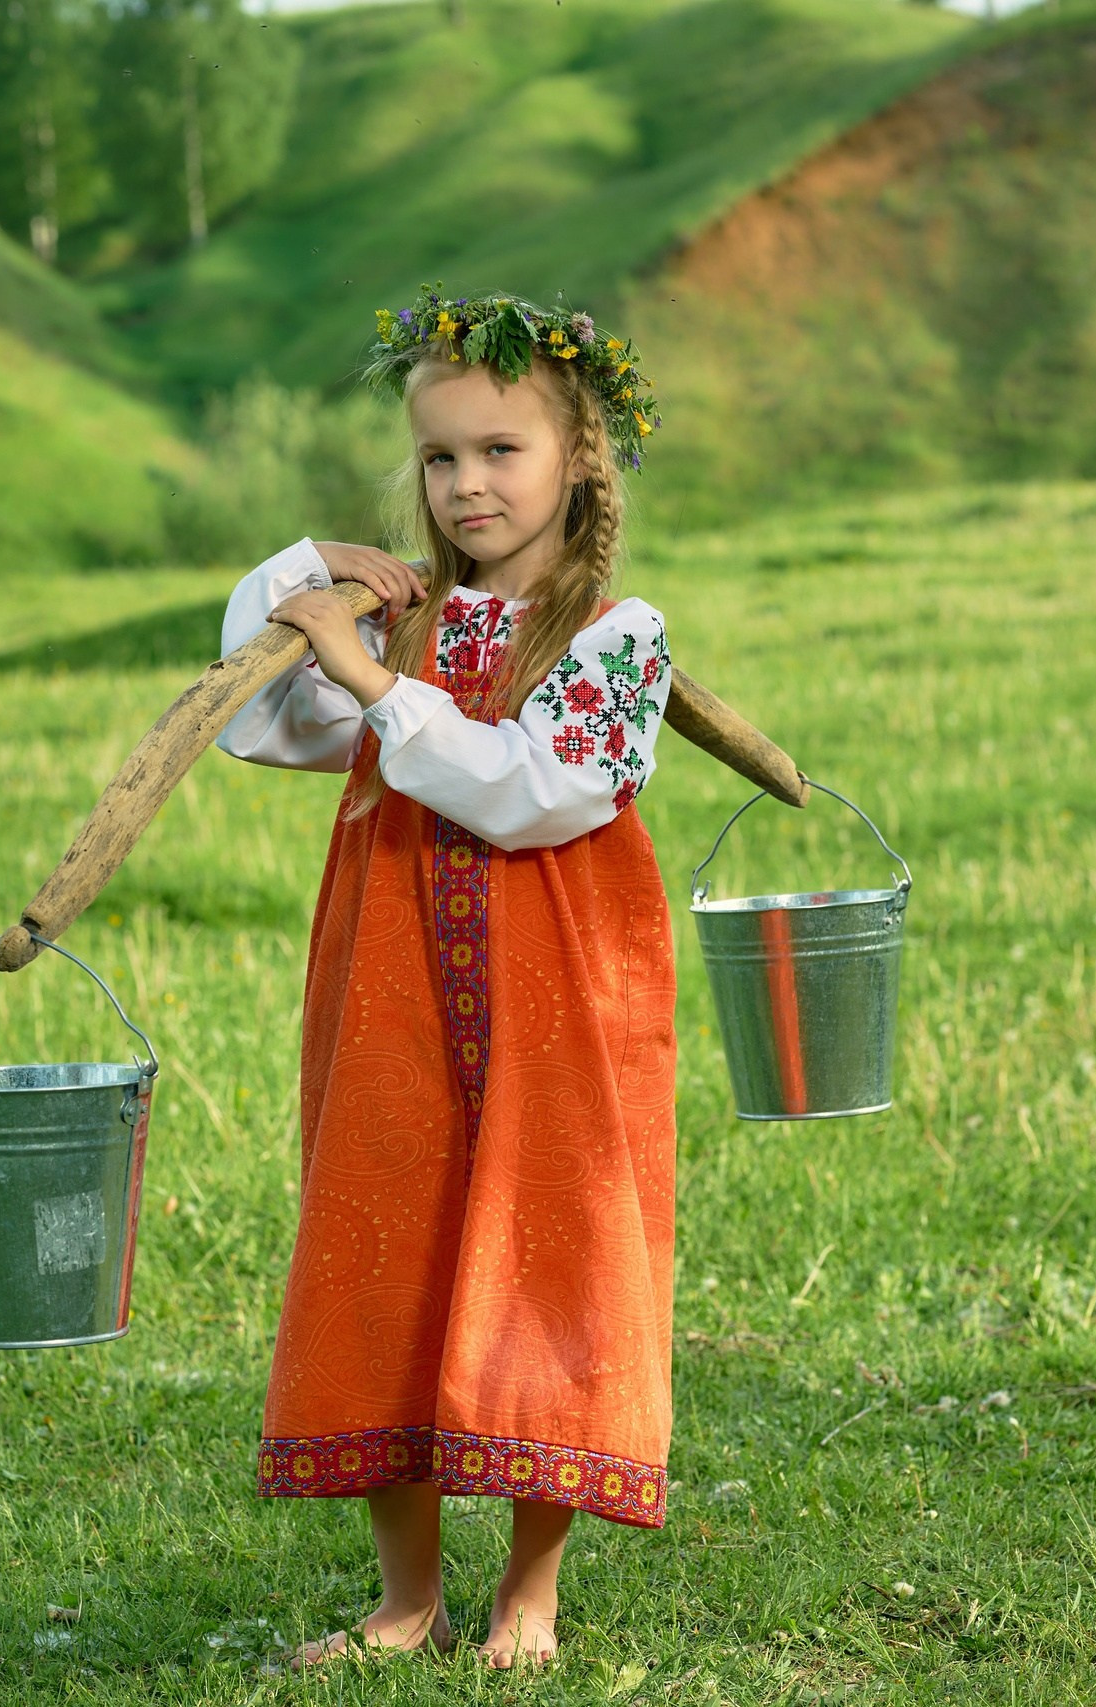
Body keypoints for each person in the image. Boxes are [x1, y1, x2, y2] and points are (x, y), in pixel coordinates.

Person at [216, 288, 674, 1670]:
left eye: (500, 451)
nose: (467, 484)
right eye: (438, 458)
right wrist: (305, 576)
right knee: (387, 1242)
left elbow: (539, 793)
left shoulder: (614, 634)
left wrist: (374, 683)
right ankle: (405, 1599)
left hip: (559, 1010)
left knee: (553, 1254)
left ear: (580, 461)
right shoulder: (399, 626)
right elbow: (252, 707)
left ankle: (529, 1594)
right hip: (396, 996)